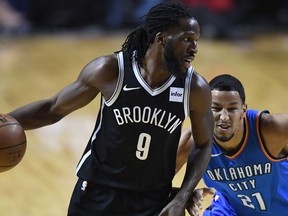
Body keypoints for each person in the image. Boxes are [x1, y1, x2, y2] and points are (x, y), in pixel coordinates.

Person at [7, 2, 214, 216]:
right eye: (187, 39)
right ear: (161, 38)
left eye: (196, 41)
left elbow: (204, 143)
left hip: (151, 199)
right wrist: (6, 119)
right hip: (97, 191)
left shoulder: (194, 87)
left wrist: (181, 196)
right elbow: (52, 109)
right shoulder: (111, 71)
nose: (194, 48)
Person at [177, 74, 288, 215]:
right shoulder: (194, 140)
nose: (224, 117)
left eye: (232, 109)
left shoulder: (269, 130)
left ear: (243, 111)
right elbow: (154, 180)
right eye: (216, 108)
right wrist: (182, 195)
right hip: (230, 209)